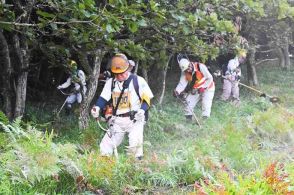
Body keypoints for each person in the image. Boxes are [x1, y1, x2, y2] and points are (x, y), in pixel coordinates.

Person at [91, 53, 153, 160]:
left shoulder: (138, 80)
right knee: (106, 146)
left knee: (135, 144)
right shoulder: (111, 83)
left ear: (128, 69)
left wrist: (142, 110)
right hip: (117, 120)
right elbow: (103, 98)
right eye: (116, 74)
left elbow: (147, 99)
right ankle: (104, 168)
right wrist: (97, 107)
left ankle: (136, 168)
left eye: (122, 73)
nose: (119, 76)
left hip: (135, 119)